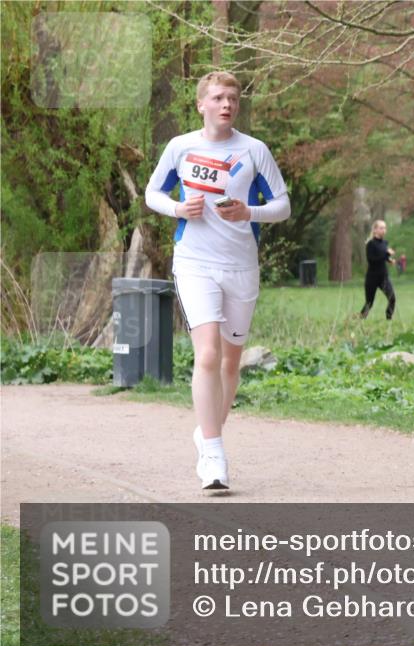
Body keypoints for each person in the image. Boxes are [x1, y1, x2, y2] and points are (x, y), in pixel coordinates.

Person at [145, 71, 290, 491]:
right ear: (201, 105)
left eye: (233, 98)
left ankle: (208, 430)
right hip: (194, 263)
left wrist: (249, 212)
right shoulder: (180, 147)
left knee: (230, 362)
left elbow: (282, 205)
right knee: (207, 355)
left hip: (241, 267)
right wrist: (176, 209)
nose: (226, 104)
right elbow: (153, 193)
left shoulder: (254, 150)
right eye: (218, 98)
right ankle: (213, 453)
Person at [360, 219, 396, 319]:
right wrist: (387, 254)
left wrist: (389, 260)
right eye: (381, 228)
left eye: (384, 228)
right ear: (375, 230)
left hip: (383, 277)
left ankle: (389, 319)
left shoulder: (384, 243)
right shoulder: (370, 244)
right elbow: (372, 260)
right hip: (372, 278)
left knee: (392, 298)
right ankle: (359, 321)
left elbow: (382, 257)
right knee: (369, 303)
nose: (383, 230)